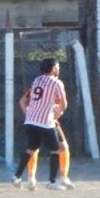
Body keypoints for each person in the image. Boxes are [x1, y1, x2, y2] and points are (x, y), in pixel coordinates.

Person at [11, 57, 70, 189]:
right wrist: (59, 112)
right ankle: (52, 181)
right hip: (46, 121)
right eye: (58, 66)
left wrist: (30, 114)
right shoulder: (56, 83)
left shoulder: (37, 80)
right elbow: (64, 103)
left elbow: (25, 100)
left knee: (31, 148)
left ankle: (17, 176)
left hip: (31, 120)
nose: (59, 68)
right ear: (54, 68)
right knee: (56, 150)